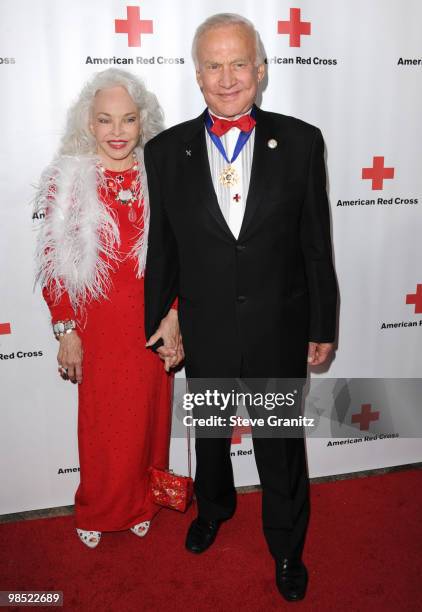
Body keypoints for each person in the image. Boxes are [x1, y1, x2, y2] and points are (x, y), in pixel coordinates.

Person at [144, 13, 338, 601]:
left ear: (260, 70)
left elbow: (315, 243)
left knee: (280, 445)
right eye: (213, 65)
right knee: (208, 431)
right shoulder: (165, 149)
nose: (227, 78)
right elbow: (164, 248)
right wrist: (160, 318)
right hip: (205, 327)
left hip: (278, 325)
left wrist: (322, 322)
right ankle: (215, 508)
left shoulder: (301, 140)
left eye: (239, 63)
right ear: (197, 74)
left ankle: (286, 545)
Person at [34, 68, 182, 548]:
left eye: (128, 120)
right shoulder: (70, 179)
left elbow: (180, 254)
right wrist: (67, 330)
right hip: (97, 326)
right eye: (105, 120)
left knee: (151, 421)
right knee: (102, 427)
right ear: (89, 124)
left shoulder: (157, 175)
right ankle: (98, 508)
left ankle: (144, 501)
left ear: (143, 122)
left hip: (151, 320)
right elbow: (54, 264)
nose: (117, 132)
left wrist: (174, 316)